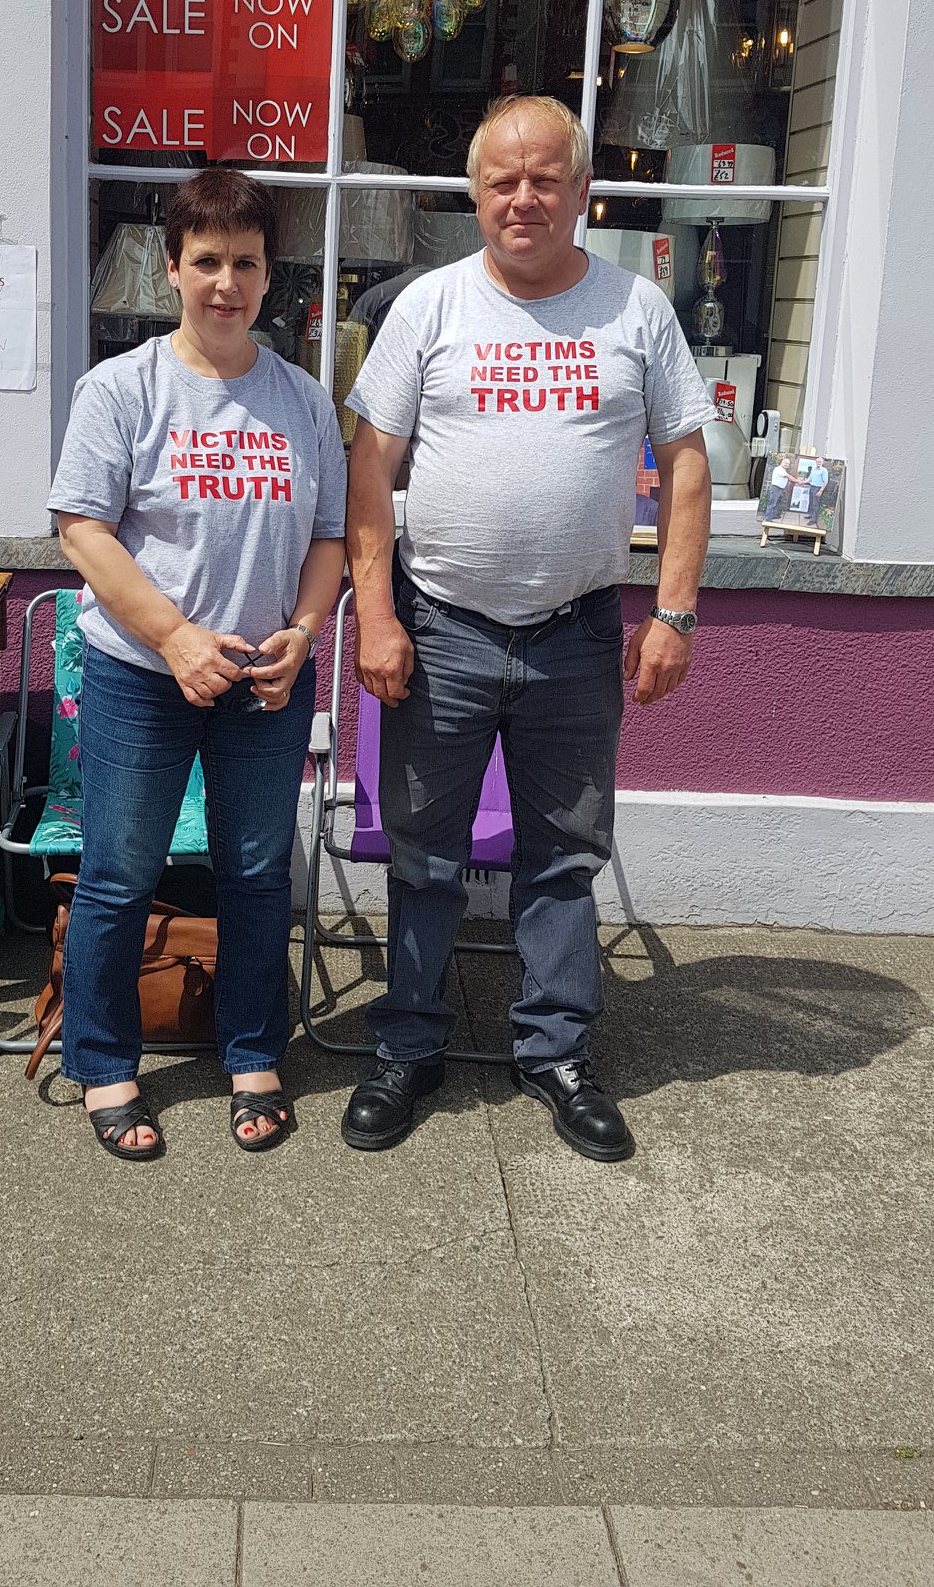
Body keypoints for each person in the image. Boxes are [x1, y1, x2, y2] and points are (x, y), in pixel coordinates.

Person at [341, 95, 714, 1161]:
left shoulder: (636, 310)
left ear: (581, 192)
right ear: (473, 193)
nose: (522, 197)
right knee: (422, 857)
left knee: (561, 859)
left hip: (580, 633)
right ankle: (406, 1048)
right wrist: (375, 615)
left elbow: (686, 466)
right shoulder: (428, 307)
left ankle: (553, 1050)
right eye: (502, 180)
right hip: (442, 628)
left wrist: (675, 614)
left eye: (544, 178)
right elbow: (370, 467)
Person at [48, 171, 346, 1161]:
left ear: (271, 277)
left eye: (246, 263)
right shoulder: (120, 389)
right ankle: (102, 1063)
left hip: (265, 674)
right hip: (142, 672)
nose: (227, 281)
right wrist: (174, 638)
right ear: (172, 267)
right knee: (119, 871)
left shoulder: (303, 402)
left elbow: (330, 539)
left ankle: (253, 1053)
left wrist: (305, 628)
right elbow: (82, 530)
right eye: (207, 260)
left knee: (257, 870)